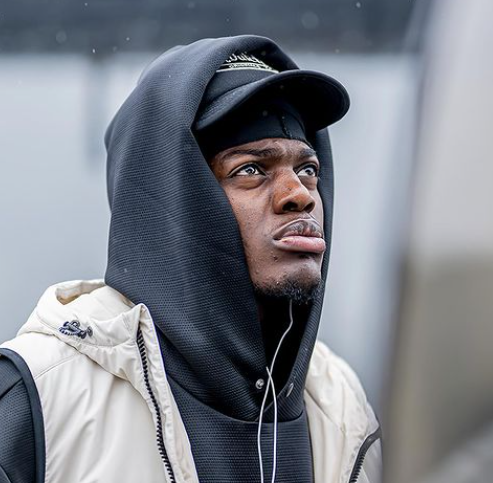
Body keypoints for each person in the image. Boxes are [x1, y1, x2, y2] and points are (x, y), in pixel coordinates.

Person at [0, 35, 382, 483]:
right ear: (174, 198)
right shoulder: (40, 397)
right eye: (251, 170)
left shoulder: (343, 406)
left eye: (307, 170)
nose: (300, 195)